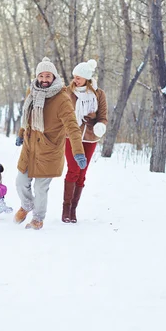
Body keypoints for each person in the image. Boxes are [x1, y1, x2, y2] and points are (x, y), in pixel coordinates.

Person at [13, 57, 87, 230]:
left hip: (49, 149)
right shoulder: (31, 91)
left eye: (48, 76)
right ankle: (26, 205)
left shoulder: (62, 99)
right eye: (41, 76)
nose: (44, 80)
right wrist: (21, 133)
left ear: (54, 77)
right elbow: (27, 117)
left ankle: (38, 219)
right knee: (20, 181)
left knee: (40, 188)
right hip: (30, 148)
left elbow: (73, 127)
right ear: (37, 77)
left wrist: (78, 152)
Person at [62, 59, 108, 223]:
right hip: (70, 137)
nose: (75, 80)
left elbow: (103, 117)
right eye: (74, 76)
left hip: (89, 138)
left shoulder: (99, 94)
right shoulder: (67, 92)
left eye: (79, 77)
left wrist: (98, 125)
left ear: (87, 78)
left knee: (82, 173)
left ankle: (73, 209)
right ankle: (65, 208)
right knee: (73, 169)